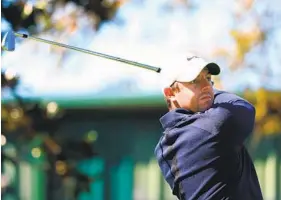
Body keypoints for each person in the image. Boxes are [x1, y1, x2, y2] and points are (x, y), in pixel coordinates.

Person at [154, 55, 263, 200]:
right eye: (194, 80)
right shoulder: (212, 126)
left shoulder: (163, 148)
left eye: (208, 78)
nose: (206, 85)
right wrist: (210, 91)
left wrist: (202, 91)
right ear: (170, 93)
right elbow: (243, 108)